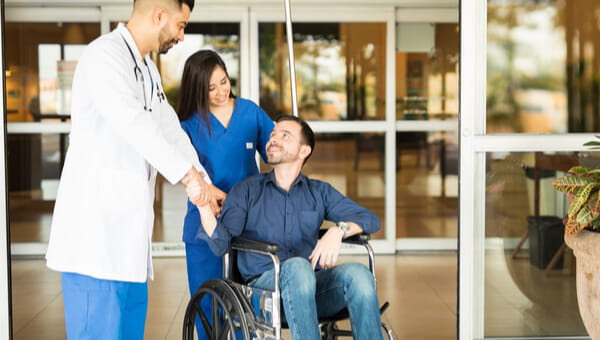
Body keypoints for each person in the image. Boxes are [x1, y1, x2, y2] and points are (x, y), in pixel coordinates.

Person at [45, 0, 220, 338]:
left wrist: (204, 183)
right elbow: (134, 123)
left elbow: (169, 129)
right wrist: (187, 177)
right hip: (94, 245)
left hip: (129, 248)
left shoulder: (148, 70)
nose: (182, 37)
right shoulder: (103, 57)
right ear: (159, 15)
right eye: (181, 25)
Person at [188, 115, 385, 340]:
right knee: (298, 268)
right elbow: (220, 244)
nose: (273, 139)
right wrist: (203, 206)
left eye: (285, 135)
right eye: (272, 135)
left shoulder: (318, 192)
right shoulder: (246, 190)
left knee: (359, 274)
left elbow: (370, 220)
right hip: (262, 293)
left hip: (310, 291)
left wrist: (338, 231)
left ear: (304, 151)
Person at [176, 49, 274, 339]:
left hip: (249, 224)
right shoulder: (188, 126)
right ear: (197, 89)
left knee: (249, 304)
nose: (221, 92)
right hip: (204, 224)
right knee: (209, 304)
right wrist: (216, 196)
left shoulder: (250, 113)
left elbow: (275, 151)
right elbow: (187, 174)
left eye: (224, 81)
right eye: (210, 88)